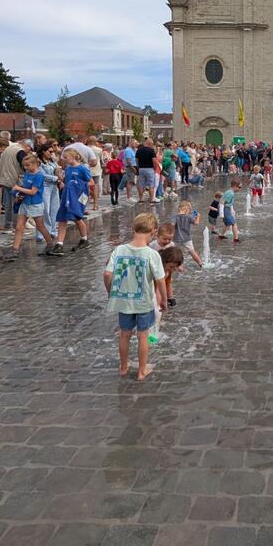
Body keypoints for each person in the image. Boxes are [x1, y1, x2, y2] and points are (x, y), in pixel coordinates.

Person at [104, 212, 167, 380]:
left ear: (133, 229)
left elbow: (107, 274)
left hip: (123, 301)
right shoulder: (152, 254)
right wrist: (164, 301)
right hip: (143, 303)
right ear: (154, 231)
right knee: (143, 336)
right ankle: (141, 371)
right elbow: (161, 281)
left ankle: (123, 367)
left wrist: (110, 292)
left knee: (124, 334)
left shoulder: (119, 250)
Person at [0, 152, 54, 261]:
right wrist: (18, 195)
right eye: (24, 165)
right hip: (24, 203)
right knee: (19, 227)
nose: (25, 167)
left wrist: (18, 189)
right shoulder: (27, 173)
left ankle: (50, 244)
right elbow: (25, 187)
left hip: (35, 204)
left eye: (28, 165)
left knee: (40, 226)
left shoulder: (39, 176)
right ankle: (15, 250)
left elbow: (33, 192)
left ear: (35, 164)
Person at [47, 148, 92, 256]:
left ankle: (84, 239)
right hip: (66, 196)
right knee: (62, 218)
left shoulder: (82, 169)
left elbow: (90, 182)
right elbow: (66, 182)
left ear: (73, 156)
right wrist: (63, 183)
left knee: (77, 218)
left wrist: (76, 186)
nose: (64, 159)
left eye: (66, 157)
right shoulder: (67, 168)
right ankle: (59, 244)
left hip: (76, 198)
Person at [174, 200, 203, 266]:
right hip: (187, 238)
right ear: (186, 210)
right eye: (189, 210)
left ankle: (176, 265)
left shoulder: (176, 217)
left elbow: (172, 225)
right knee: (192, 251)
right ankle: (200, 263)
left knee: (175, 252)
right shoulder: (189, 217)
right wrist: (198, 217)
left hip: (176, 238)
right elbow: (196, 223)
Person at [136, 138, 158, 204]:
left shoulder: (139, 150)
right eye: (152, 144)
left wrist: (138, 167)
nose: (152, 145)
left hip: (141, 169)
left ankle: (140, 199)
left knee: (141, 184)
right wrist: (155, 168)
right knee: (151, 185)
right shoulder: (151, 150)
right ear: (149, 144)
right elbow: (154, 160)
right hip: (149, 169)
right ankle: (151, 199)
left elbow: (136, 160)